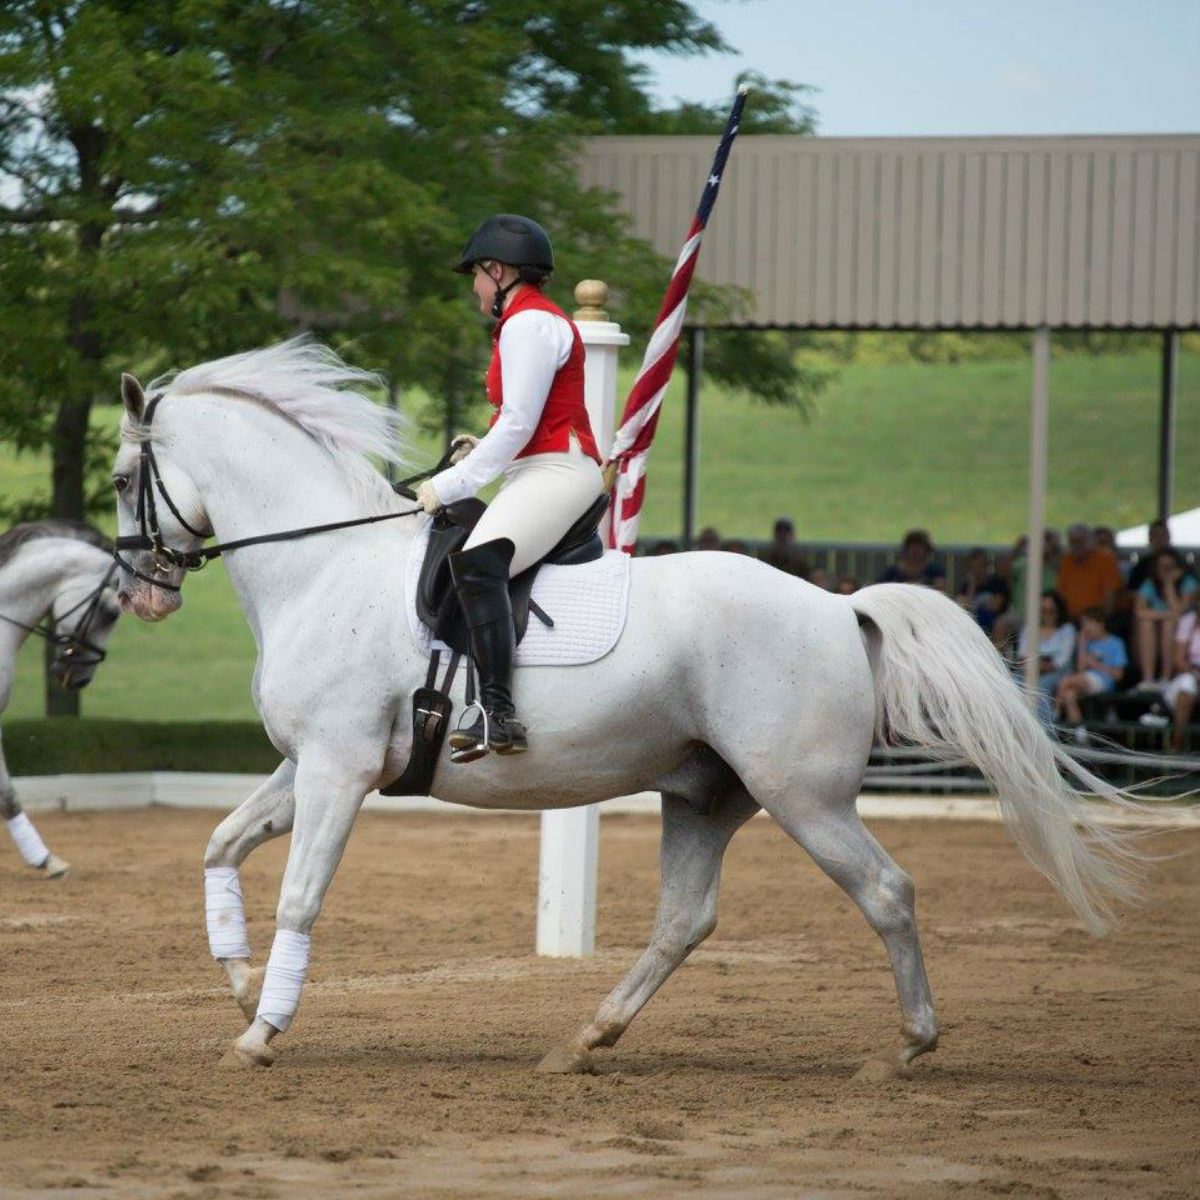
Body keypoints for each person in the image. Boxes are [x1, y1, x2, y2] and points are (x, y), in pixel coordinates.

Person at [415, 214, 604, 762]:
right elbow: (522, 422)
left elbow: (520, 422)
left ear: (497, 271)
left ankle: (496, 714)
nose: (474, 287)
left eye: (476, 274)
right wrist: (482, 448)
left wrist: (449, 484)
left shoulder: (528, 323)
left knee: (478, 563)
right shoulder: (527, 322)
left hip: (556, 470)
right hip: (539, 467)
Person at [1054, 607, 1129, 744]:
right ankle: (1080, 733)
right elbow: (1080, 670)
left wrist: (1097, 665)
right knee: (1069, 694)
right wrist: (1082, 644)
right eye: (1083, 624)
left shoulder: (1115, 643)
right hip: (1085, 679)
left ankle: (1054, 717)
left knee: (1065, 681)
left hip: (1103, 681)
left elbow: (1119, 675)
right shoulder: (1088, 642)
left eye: (1088, 623)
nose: (1085, 628)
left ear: (1100, 623)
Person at [1132, 549, 1197, 687]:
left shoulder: (1188, 583)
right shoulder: (1150, 583)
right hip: (1157, 626)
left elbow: (1178, 611)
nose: (1165, 570)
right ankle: (1148, 679)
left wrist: (1169, 584)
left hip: (1180, 629)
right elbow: (1139, 611)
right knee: (1146, 624)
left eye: (1170, 566)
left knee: (1168, 625)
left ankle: (1165, 679)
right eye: (1162, 566)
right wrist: (1165, 614)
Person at [1016, 589, 1076, 723]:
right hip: (1030, 669)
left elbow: (1062, 661)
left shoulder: (1067, 629)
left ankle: (1044, 729)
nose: (1047, 614)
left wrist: (1038, 665)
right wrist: (1035, 665)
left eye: (1051, 610)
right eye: (1043, 610)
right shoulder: (1030, 628)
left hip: (1058, 672)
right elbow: (1022, 654)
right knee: (1013, 682)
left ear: (1059, 610)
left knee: (1040, 687)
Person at [1056, 524, 1123, 622]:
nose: (1077, 545)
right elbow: (1061, 592)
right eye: (1073, 542)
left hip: (1097, 619)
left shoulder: (1105, 559)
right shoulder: (1067, 560)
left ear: (1091, 540)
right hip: (1071, 618)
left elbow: (1110, 595)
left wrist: (1102, 621)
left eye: (1081, 541)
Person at [956, 547, 1010, 635]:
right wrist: (972, 586)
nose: (978, 570)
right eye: (974, 567)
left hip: (993, 622)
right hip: (974, 623)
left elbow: (995, 606)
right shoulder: (967, 586)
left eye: (980, 565)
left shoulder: (997, 583)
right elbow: (965, 607)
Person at [1127, 518, 1187, 593]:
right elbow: (1131, 590)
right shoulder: (1142, 565)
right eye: (1156, 536)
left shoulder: (1181, 563)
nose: (1159, 540)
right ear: (1150, 539)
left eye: (1162, 536)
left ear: (1169, 538)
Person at [878, 529, 945, 589]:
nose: (917, 551)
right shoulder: (892, 572)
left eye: (920, 547)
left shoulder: (935, 571)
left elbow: (939, 588)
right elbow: (880, 587)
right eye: (913, 547)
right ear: (906, 549)